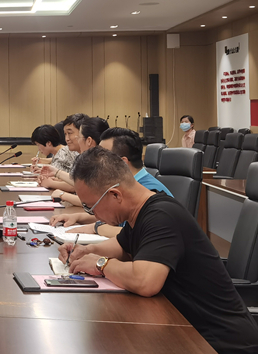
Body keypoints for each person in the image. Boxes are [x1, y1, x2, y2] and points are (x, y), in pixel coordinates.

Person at [58, 147, 258, 354]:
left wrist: (101, 264)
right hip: (188, 330)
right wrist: (87, 251)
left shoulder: (162, 216)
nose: (94, 215)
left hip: (221, 343)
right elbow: (122, 246)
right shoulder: (140, 213)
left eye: (91, 207)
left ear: (115, 195)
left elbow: (145, 281)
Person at [50, 128, 174, 237]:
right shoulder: (123, 186)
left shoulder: (148, 191)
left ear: (121, 163)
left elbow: (135, 234)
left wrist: (96, 228)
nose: (97, 161)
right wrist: (78, 217)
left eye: (104, 156)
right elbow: (115, 218)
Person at [39, 116, 109, 205]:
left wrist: (62, 194)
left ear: (89, 140)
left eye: (79, 137)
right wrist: (56, 172)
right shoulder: (87, 158)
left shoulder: (100, 163)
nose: (67, 139)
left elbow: (93, 201)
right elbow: (80, 182)